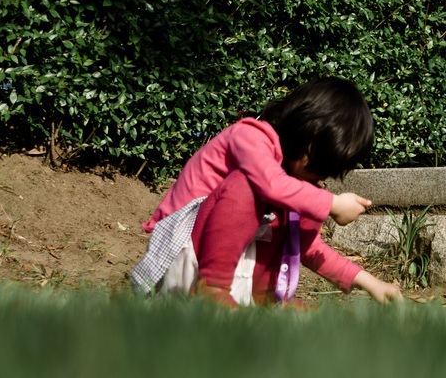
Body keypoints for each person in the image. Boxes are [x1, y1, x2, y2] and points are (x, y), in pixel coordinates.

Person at [129, 77, 401, 305]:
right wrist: (332, 203)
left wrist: (370, 282)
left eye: (329, 170)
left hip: (226, 258)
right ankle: (213, 290)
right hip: (181, 250)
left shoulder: (290, 177)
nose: (321, 174)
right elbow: (270, 185)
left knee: (301, 211)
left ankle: (264, 299)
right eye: (319, 163)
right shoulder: (251, 136)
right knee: (249, 185)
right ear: (304, 128)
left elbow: (306, 246)